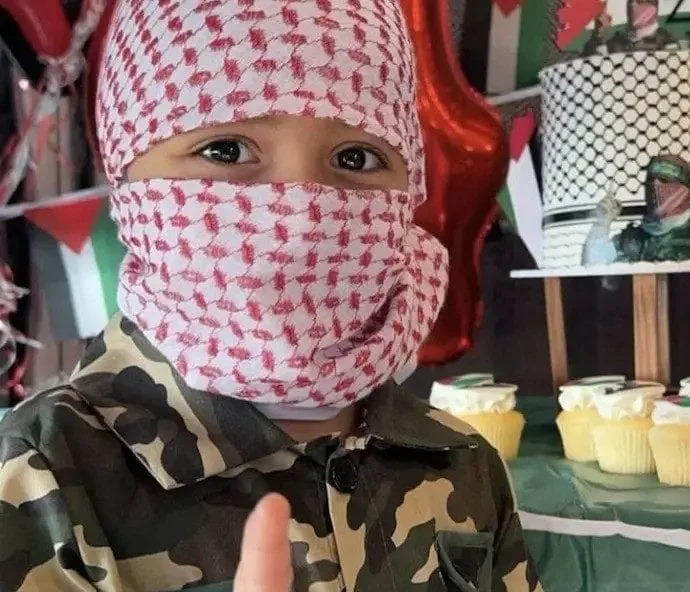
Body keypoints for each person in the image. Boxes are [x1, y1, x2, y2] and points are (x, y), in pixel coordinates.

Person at [0, 1, 543, 591]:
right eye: (226, 151)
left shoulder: (461, 461)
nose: (304, 216)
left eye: (356, 158)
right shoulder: (43, 474)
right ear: (128, 175)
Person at [614, 154, 690, 262]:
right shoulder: (631, 237)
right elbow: (603, 261)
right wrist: (602, 224)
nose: (655, 185)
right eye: (651, 179)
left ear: (683, 189)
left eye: (664, 180)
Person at [607, 0, 681, 53]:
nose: (632, 4)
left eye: (639, 2)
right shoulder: (614, 43)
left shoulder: (668, 43)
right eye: (630, 1)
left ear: (653, 9)